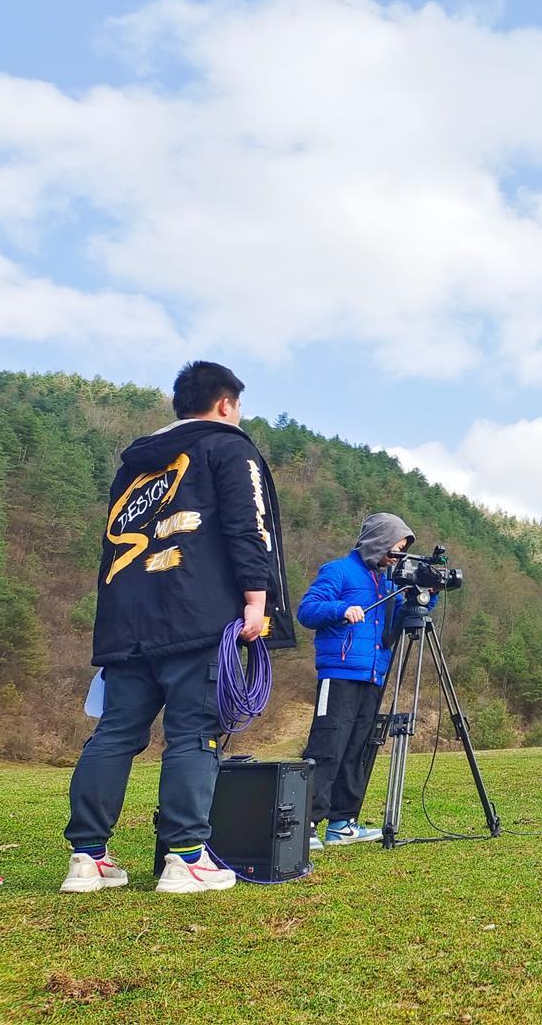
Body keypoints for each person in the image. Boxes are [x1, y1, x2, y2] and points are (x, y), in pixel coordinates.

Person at [63, 361, 293, 894]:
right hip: (198, 617)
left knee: (115, 734)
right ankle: (186, 858)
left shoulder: (135, 466)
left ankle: (87, 857)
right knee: (194, 735)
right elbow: (248, 528)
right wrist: (257, 605)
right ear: (225, 404)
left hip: (126, 622)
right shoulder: (230, 447)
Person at [298, 512, 430, 848]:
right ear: (379, 541)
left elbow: (399, 620)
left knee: (357, 749)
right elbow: (307, 610)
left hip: (373, 676)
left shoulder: (387, 582)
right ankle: (306, 825)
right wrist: (340, 609)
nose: (396, 557)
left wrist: (427, 594)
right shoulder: (338, 571)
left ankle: (342, 823)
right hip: (340, 675)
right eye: (395, 549)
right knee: (327, 749)